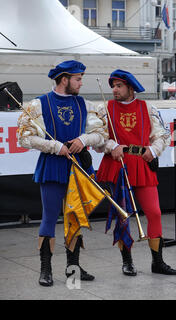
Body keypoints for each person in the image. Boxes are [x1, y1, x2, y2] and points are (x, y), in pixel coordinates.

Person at [17, 60, 107, 286]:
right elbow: (24, 137)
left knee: (76, 216)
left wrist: (83, 139)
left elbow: (100, 134)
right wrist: (55, 146)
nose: (81, 82)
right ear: (64, 79)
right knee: (49, 217)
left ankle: (72, 268)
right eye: (77, 79)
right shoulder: (39, 105)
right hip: (53, 166)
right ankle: (45, 269)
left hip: (78, 167)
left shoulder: (85, 105)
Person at [95, 69, 176, 275]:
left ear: (130, 88)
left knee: (155, 213)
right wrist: (110, 145)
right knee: (123, 215)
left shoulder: (147, 107)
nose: (114, 90)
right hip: (118, 165)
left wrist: (153, 150)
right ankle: (127, 261)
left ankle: (157, 262)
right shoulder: (104, 109)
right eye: (113, 86)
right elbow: (96, 138)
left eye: (119, 86)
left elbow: (162, 135)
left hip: (141, 164)